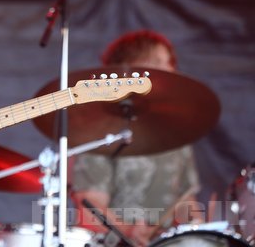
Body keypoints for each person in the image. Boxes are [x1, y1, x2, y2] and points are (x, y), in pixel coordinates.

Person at [71, 29, 203, 246]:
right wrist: (129, 231)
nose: (171, 70)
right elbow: (90, 211)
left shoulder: (177, 133)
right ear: (132, 71)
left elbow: (186, 201)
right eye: (159, 62)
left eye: (170, 63)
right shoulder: (102, 132)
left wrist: (200, 229)